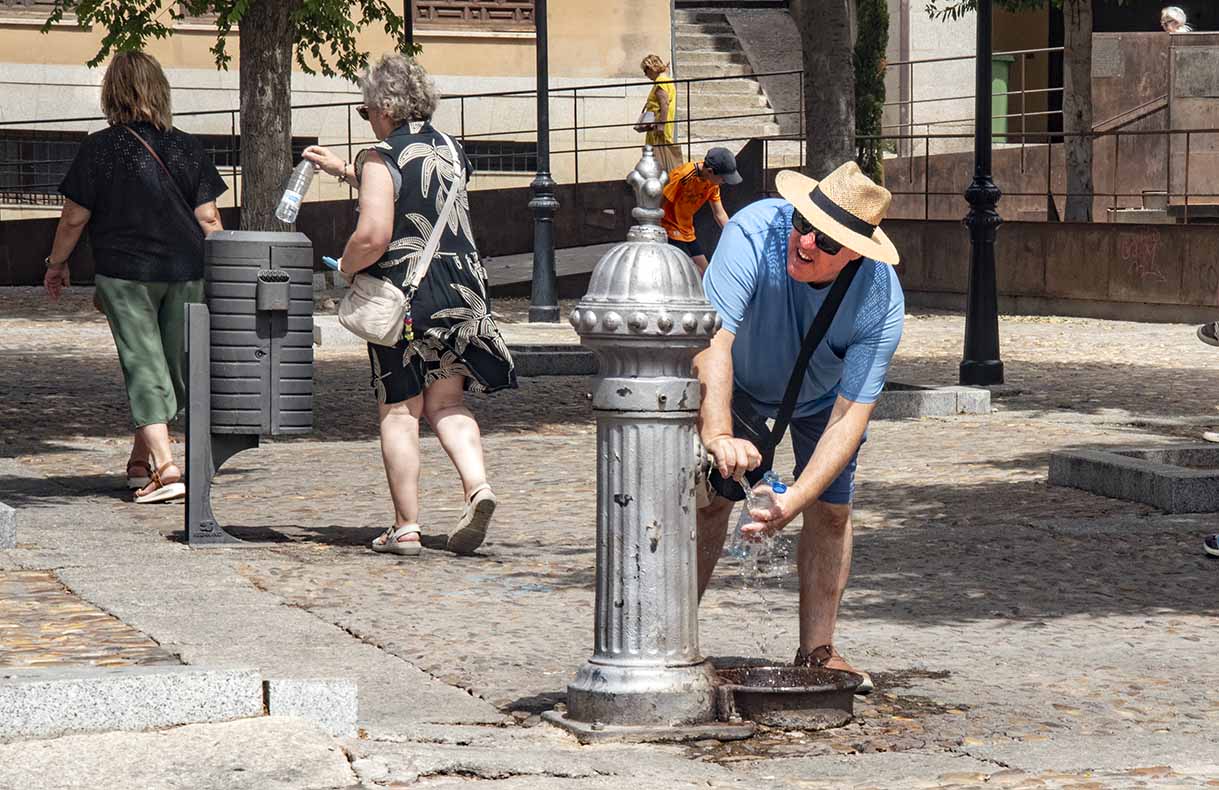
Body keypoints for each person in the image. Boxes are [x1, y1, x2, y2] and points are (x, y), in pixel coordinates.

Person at [693, 161, 904, 694]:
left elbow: (850, 415)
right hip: (738, 379)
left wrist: (794, 501)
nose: (806, 243)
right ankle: (672, 640)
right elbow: (713, 341)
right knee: (711, 498)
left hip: (820, 399)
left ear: (855, 252)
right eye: (803, 224)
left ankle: (818, 651)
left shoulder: (881, 299)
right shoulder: (752, 232)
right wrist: (718, 432)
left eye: (826, 243)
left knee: (832, 511)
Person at [303, 54, 516, 557]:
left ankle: (406, 528)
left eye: (365, 110)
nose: (367, 119)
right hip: (461, 290)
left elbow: (375, 233)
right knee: (448, 403)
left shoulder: (379, 155)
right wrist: (344, 170)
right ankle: (477, 487)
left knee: (400, 411)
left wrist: (348, 266)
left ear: (384, 107)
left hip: (406, 300)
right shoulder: (451, 149)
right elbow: (417, 195)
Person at [43, 51, 226, 504]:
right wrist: (226, 272)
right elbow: (210, 219)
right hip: (186, 271)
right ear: (160, 90)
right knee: (170, 369)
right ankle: (145, 463)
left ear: (112, 93)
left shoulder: (98, 149)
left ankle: (162, 469)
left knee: (148, 366)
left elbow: (72, 219)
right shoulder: (186, 145)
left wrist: (56, 263)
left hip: (126, 274)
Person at [661, 147, 740, 275]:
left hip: (687, 231)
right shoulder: (684, 176)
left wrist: (734, 235)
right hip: (669, 230)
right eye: (723, 179)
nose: (723, 182)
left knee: (706, 274)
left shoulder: (713, 184)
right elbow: (661, 200)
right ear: (710, 171)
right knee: (693, 273)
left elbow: (719, 214)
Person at [637, 54, 682, 174]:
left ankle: (666, 178)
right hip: (659, 126)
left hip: (658, 128)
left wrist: (661, 126)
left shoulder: (660, 81)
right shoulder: (666, 79)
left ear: (652, 68)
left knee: (658, 156)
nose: (645, 75)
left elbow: (664, 104)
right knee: (661, 154)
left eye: (646, 71)